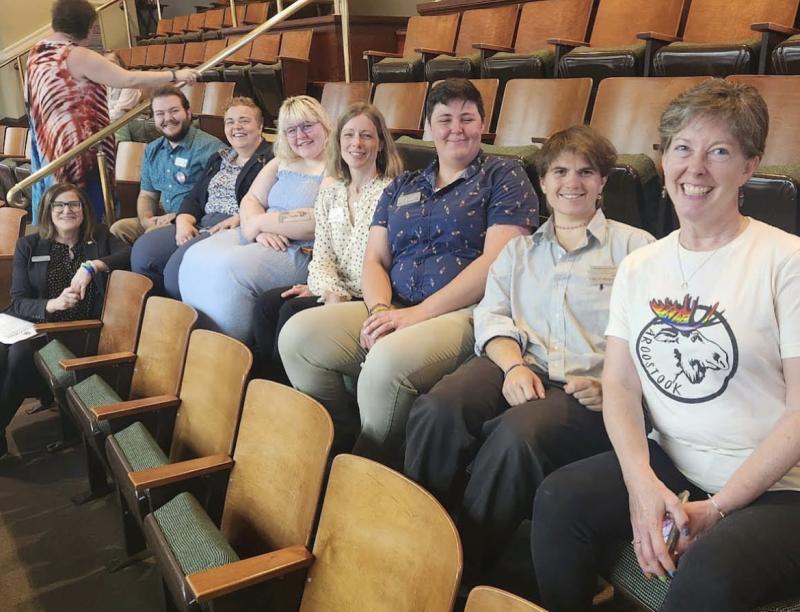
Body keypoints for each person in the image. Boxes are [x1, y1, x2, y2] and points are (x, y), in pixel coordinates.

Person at [532, 79, 800, 612]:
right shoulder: (641, 265)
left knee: (703, 579)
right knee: (558, 500)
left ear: (750, 166)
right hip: (677, 461)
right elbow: (621, 384)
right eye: (682, 148)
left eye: (718, 151)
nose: (695, 168)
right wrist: (641, 483)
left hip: (781, 489)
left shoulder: (785, 261)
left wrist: (719, 508)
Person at [404, 125, 654, 586]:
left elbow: (654, 339)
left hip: (589, 388)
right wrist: (513, 364)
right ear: (543, 182)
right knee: (438, 407)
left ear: (602, 182)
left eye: (585, 171)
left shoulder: (637, 250)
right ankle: (417, 535)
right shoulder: (518, 251)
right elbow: (493, 317)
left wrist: (618, 388)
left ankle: (458, 571)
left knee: (518, 437)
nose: (571, 182)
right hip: (520, 361)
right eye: (559, 171)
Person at [279, 79, 538, 462]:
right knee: (297, 337)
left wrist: (414, 316)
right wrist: (381, 310)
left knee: (385, 365)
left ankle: (367, 468)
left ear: (482, 124)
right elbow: (375, 260)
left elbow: (496, 263)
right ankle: (343, 438)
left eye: (467, 118)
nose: (456, 128)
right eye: (445, 119)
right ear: (429, 129)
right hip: (396, 304)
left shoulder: (503, 175)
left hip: (465, 312)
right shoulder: (404, 184)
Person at [252, 102, 403, 382]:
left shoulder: (390, 192)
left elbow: (369, 260)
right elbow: (321, 254)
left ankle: (284, 394)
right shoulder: (331, 192)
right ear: (339, 141)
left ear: (381, 144)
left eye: (366, 136)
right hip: (335, 287)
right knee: (266, 304)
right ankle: (267, 388)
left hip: (368, 292)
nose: (356, 143)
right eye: (348, 135)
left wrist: (333, 293)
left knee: (289, 311)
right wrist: (324, 287)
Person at [26, 0, 199, 224]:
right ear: (86, 27)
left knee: (60, 215)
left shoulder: (35, 53)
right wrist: (175, 75)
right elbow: (128, 78)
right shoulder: (76, 55)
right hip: (81, 153)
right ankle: (87, 255)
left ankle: (66, 257)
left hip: (49, 147)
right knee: (83, 215)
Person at [178, 95, 331, 345]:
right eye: (291, 130)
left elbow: (317, 220)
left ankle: (234, 348)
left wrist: (260, 223)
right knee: (194, 256)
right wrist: (257, 230)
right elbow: (250, 200)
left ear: (324, 125)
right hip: (262, 236)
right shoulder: (281, 160)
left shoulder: (334, 166)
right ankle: (198, 344)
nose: (300, 135)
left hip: (298, 249)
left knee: (230, 269)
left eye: (307, 126)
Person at [1, 182, 130, 458]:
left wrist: (92, 266)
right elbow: (18, 300)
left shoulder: (100, 238)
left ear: (84, 209)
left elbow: (129, 254)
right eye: (58, 205)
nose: (66, 210)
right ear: (47, 211)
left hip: (80, 331)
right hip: (36, 325)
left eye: (74, 204)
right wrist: (53, 304)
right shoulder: (29, 245)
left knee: (20, 355)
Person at [130, 97, 271, 298]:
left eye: (244, 121)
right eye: (230, 122)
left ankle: (188, 321)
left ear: (261, 125)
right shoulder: (220, 157)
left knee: (176, 270)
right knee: (145, 251)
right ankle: (157, 313)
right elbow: (194, 197)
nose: (236, 127)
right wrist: (183, 220)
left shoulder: (271, 158)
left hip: (235, 226)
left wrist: (243, 217)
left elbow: (275, 202)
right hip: (203, 221)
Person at [109, 86, 224, 245]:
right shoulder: (152, 149)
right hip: (163, 219)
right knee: (118, 229)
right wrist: (146, 220)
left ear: (188, 113)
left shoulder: (210, 148)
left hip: (195, 222)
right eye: (160, 113)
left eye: (174, 111)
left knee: (151, 236)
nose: (167, 118)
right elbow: (147, 195)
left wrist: (180, 216)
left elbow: (218, 200)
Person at [104, 51, 142, 122]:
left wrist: (101, 116)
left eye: (112, 62)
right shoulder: (107, 84)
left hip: (126, 123)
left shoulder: (130, 84)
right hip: (110, 122)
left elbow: (120, 113)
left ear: (120, 64)